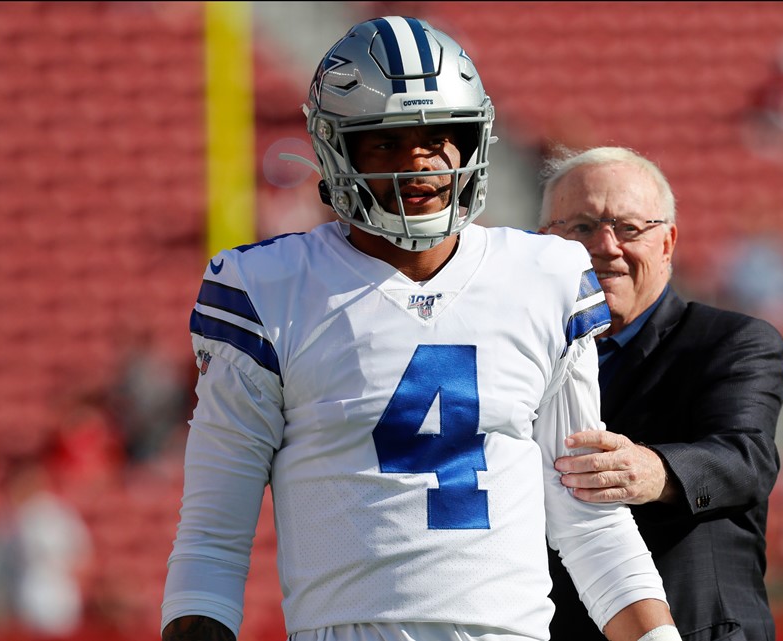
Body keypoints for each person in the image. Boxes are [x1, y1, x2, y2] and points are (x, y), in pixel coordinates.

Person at [160, 17, 677, 641]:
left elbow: (589, 517)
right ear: (337, 150)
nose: (420, 163)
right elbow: (214, 535)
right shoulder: (269, 288)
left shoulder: (547, 275)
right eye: (386, 142)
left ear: (473, 141)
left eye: (440, 136)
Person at [538, 147, 783, 641]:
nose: (605, 246)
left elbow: (746, 459)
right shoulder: (520, 356)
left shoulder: (731, 342)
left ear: (668, 243)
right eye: (581, 228)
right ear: (543, 244)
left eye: (628, 228)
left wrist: (654, 470)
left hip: (692, 628)